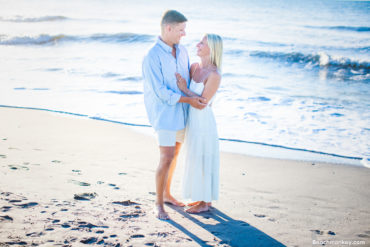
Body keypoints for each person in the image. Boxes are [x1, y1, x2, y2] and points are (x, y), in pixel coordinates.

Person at [142, 10, 207, 220]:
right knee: (166, 157)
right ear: (168, 28)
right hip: (164, 114)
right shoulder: (152, 56)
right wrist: (189, 100)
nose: (184, 34)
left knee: (175, 155)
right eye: (181, 30)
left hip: (182, 113)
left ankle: (167, 194)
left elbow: (186, 82)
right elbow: (160, 92)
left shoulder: (183, 51)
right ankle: (158, 204)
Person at [176, 34, 223, 213]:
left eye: (202, 43)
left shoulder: (214, 74)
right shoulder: (194, 67)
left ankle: (204, 203)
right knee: (195, 156)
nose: (197, 45)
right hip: (192, 120)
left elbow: (203, 103)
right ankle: (202, 198)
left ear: (211, 48)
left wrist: (184, 90)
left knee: (203, 157)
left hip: (204, 122)